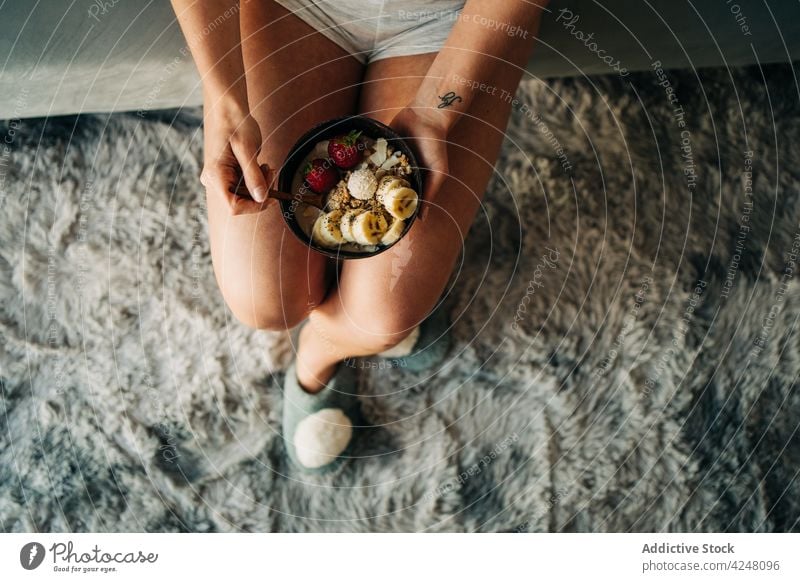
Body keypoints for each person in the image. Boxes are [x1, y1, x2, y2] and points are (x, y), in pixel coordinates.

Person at [170, 0, 548, 472]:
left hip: (451, 19)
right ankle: (350, 294)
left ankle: (319, 352)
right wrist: (225, 98)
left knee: (382, 315)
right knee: (262, 299)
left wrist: (434, 112)